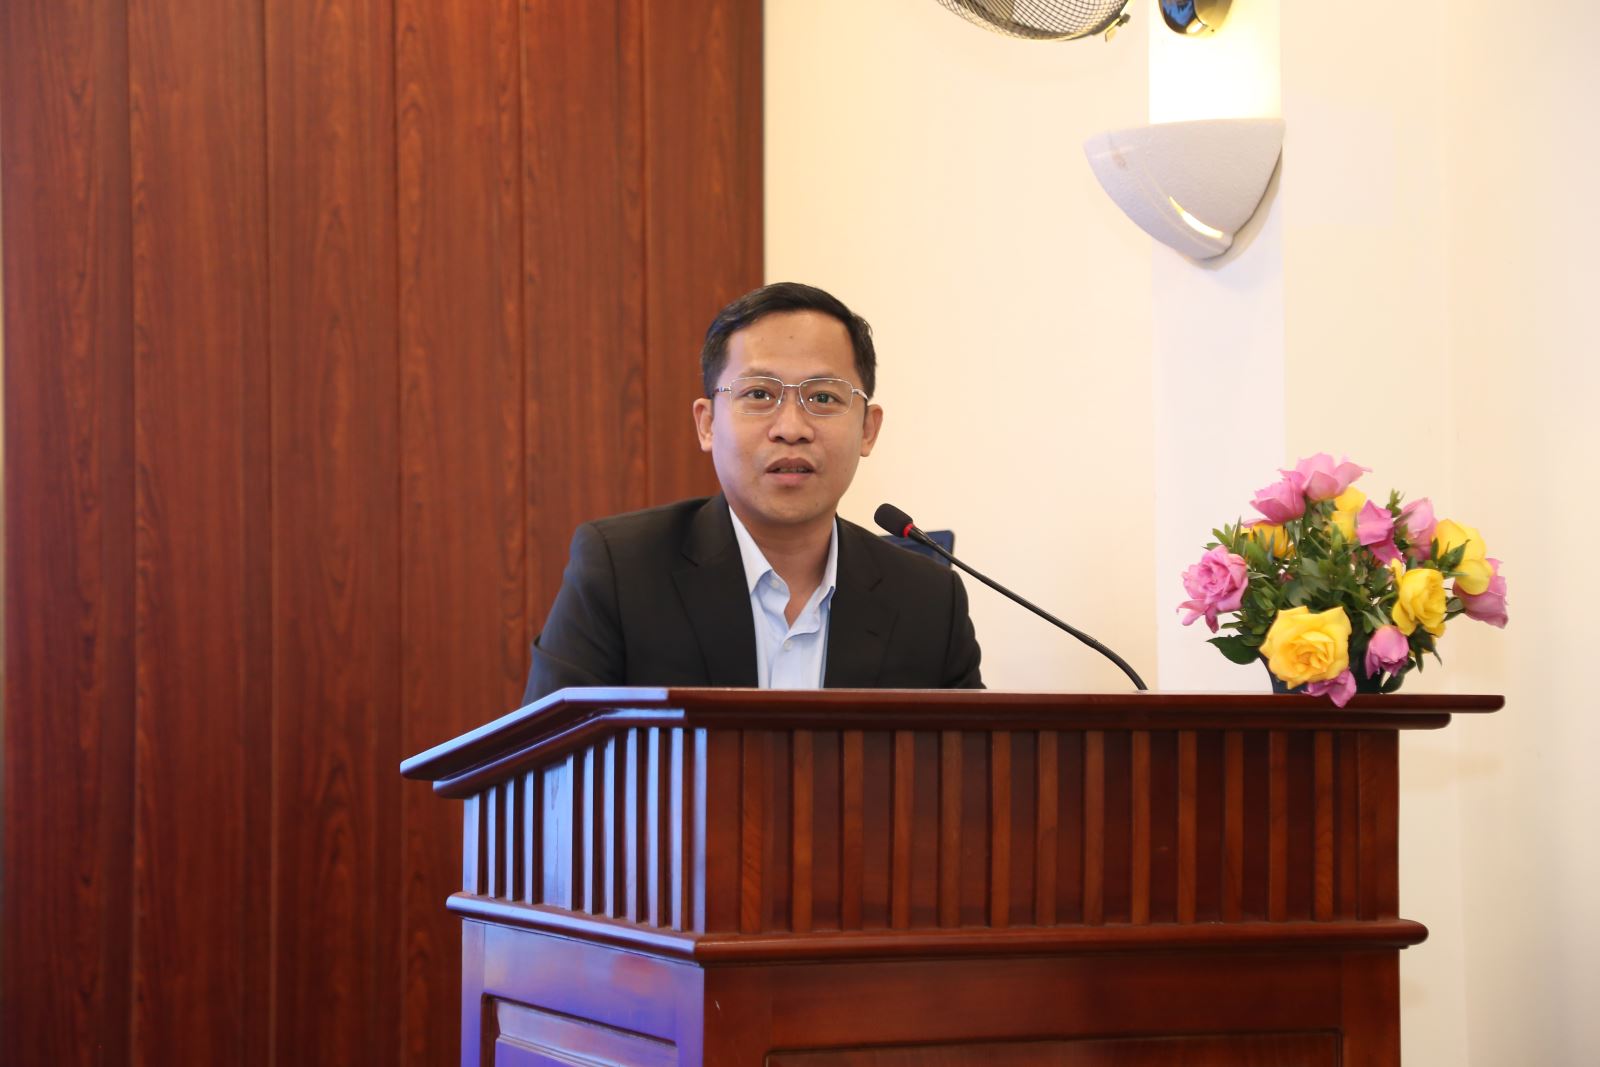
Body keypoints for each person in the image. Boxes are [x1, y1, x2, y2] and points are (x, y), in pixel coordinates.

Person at [522, 282, 983, 703]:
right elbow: (545, 759)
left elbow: (973, 763)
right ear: (707, 424)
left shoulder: (929, 602)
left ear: (868, 429)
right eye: (759, 394)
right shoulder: (621, 572)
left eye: (823, 397)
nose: (791, 428)